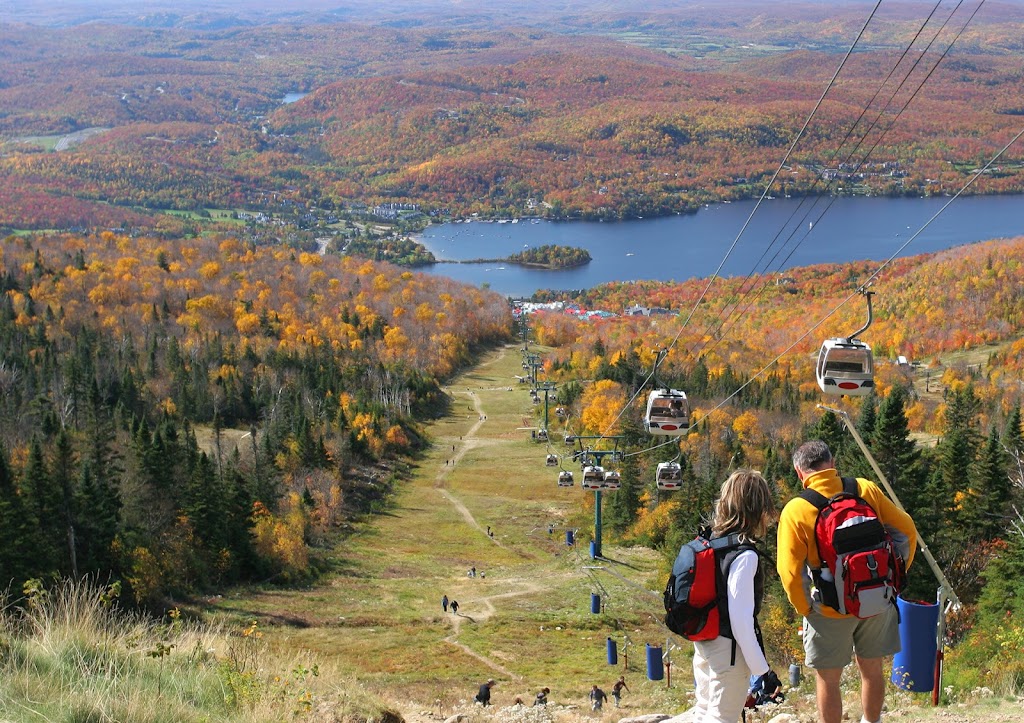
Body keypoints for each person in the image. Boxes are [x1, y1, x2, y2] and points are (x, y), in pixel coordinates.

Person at [777, 440, 918, 723]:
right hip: (876, 598)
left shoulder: (797, 509)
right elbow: (907, 531)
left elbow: (790, 573)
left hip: (829, 607)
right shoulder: (864, 489)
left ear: (799, 472)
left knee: (828, 679)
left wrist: (806, 609)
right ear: (832, 463)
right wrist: (889, 579)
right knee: (872, 669)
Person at [691, 470, 777, 723]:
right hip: (728, 651)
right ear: (757, 508)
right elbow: (741, 621)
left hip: (704, 643)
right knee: (722, 718)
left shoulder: (711, 542)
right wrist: (762, 670)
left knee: (704, 712)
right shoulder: (745, 555)